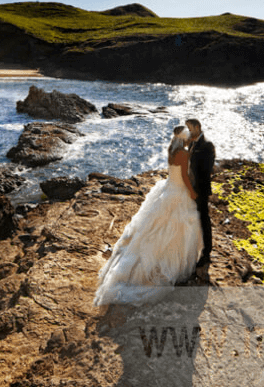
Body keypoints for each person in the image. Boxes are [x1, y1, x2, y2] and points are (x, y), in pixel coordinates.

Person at [92, 126, 203, 306]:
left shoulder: (172, 150)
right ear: (185, 139)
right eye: (189, 138)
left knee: (156, 230)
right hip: (178, 193)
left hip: (167, 189)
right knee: (176, 230)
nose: (191, 140)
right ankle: (173, 268)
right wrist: (193, 193)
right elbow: (184, 176)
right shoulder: (182, 154)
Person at [186, 118, 215, 269]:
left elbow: (206, 170)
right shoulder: (192, 143)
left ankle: (207, 253)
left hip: (201, 189)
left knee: (204, 219)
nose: (189, 132)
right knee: (193, 218)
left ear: (197, 127)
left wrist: (195, 188)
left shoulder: (207, 145)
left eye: (190, 129)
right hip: (191, 188)